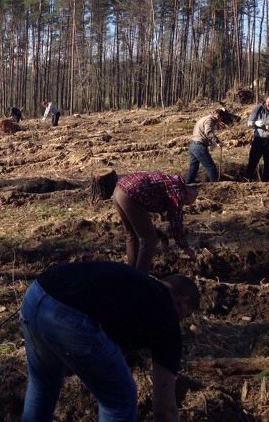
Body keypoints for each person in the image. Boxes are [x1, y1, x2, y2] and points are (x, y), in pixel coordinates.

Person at [20, 260, 200, 422]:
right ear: (184, 302)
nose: (183, 320)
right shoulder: (167, 319)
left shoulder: (139, 285)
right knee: (120, 401)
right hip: (65, 316)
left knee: (42, 384)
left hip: (35, 295)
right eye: (187, 314)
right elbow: (164, 409)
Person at [112, 171, 197, 273]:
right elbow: (175, 221)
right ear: (189, 194)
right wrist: (184, 246)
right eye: (186, 202)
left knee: (132, 234)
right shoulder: (178, 192)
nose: (184, 204)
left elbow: (156, 194)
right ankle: (141, 278)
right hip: (131, 194)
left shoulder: (172, 180)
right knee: (149, 238)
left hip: (119, 189)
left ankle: (131, 273)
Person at [184, 109, 223, 183]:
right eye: (221, 119)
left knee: (193, 167)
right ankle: (215, 187)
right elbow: (208, 132)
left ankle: (187, 185)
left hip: (192, 145)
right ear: (218, 116)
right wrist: (217, 141)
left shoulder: (204, 118)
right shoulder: (209, 120)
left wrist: (212, 144)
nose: (220, 121)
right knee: (211, 167)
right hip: (199, 145)